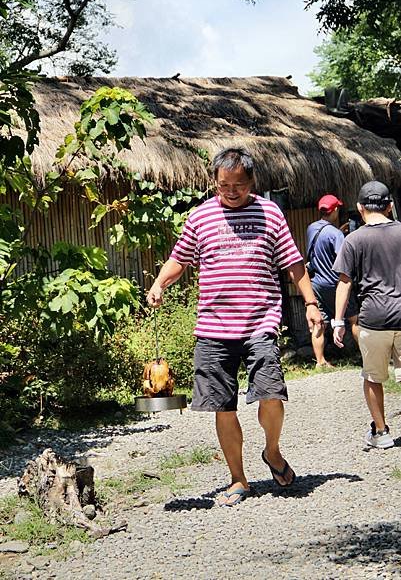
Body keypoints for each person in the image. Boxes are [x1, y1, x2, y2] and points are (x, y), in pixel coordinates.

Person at [147, 146, 323, 506]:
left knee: (271, 394)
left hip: (261, 320)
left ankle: (272, 452)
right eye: (224, 184)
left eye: (239, 185)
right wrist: (159, 284)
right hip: (213, 328)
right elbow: (180, 259)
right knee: (222, 405)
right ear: (214, 181)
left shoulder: (270, 212)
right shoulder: (200, 217)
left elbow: (292, 262)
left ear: (251, 182)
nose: (231, 191)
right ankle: (238, 480)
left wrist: (310, 302)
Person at [332, 180, 401, 449]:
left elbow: (345, 282)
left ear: (360, 208)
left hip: (374, 319)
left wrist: (338, 321)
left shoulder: (354, 239)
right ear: (390, 207)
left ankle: (381, 432)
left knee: (373, 377)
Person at [306, 194, 359, 367]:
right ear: (335, 210)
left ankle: (320, 361)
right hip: (335, 286)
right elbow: (343, 258)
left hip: (317, 285)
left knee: (319, 323)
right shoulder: (336, 234)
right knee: (354, 319)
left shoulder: (311, 228)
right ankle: (366, 356)